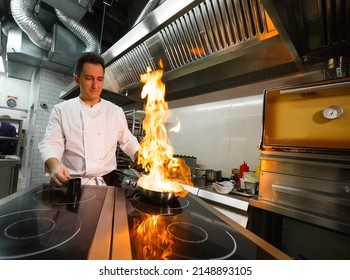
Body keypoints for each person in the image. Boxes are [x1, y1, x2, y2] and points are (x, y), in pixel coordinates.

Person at [38, 52, 141, 187]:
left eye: (100, 79)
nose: (95, 85)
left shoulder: (115, 111)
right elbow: (51, 143)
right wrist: (55, 166)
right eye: (89, 78)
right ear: (77, 79)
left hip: (108, 182)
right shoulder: (62, 110)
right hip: (73, 182)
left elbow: (127, 140)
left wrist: (140, 154)